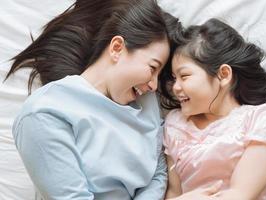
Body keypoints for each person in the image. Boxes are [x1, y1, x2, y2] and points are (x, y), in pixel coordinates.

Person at [5, 0, 183, 199]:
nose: (154, 85)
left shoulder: (147, 102)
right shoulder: (44, 112)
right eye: (152, 68)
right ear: (116, 48)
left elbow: (158, 173)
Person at [159, 18, 266, 200]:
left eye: (184, 76)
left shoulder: (263, 120)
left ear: (224, 75)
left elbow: (241, 194)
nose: (175, 87)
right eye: (174, 78)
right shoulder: (175, 124)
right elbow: (173, 193)